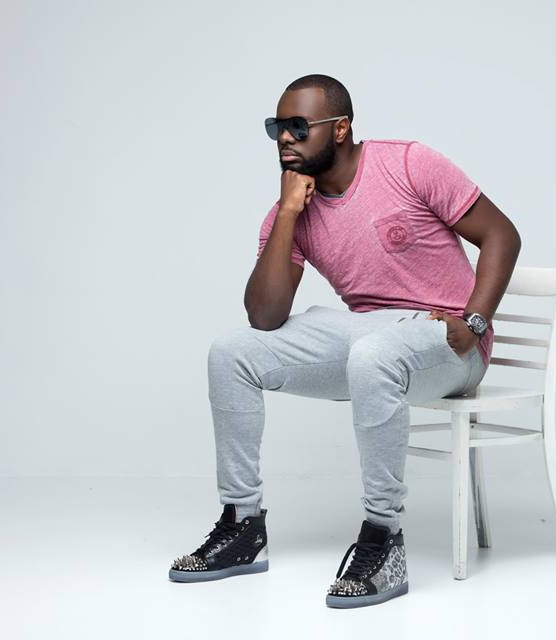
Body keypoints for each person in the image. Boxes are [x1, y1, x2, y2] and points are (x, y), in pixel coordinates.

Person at [169, 74, 521, 608]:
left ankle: (384, 537)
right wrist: (289, 212)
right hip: (369, 338)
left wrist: (473, 324)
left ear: (340, 129)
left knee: (373, 355)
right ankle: (242, 525)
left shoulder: (408, 164)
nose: (284, 138)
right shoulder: (291, 212)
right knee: (232, 352)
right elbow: (264, 316)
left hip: (449, 344)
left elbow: (501, 235)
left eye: (297, 126)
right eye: (276, 128)